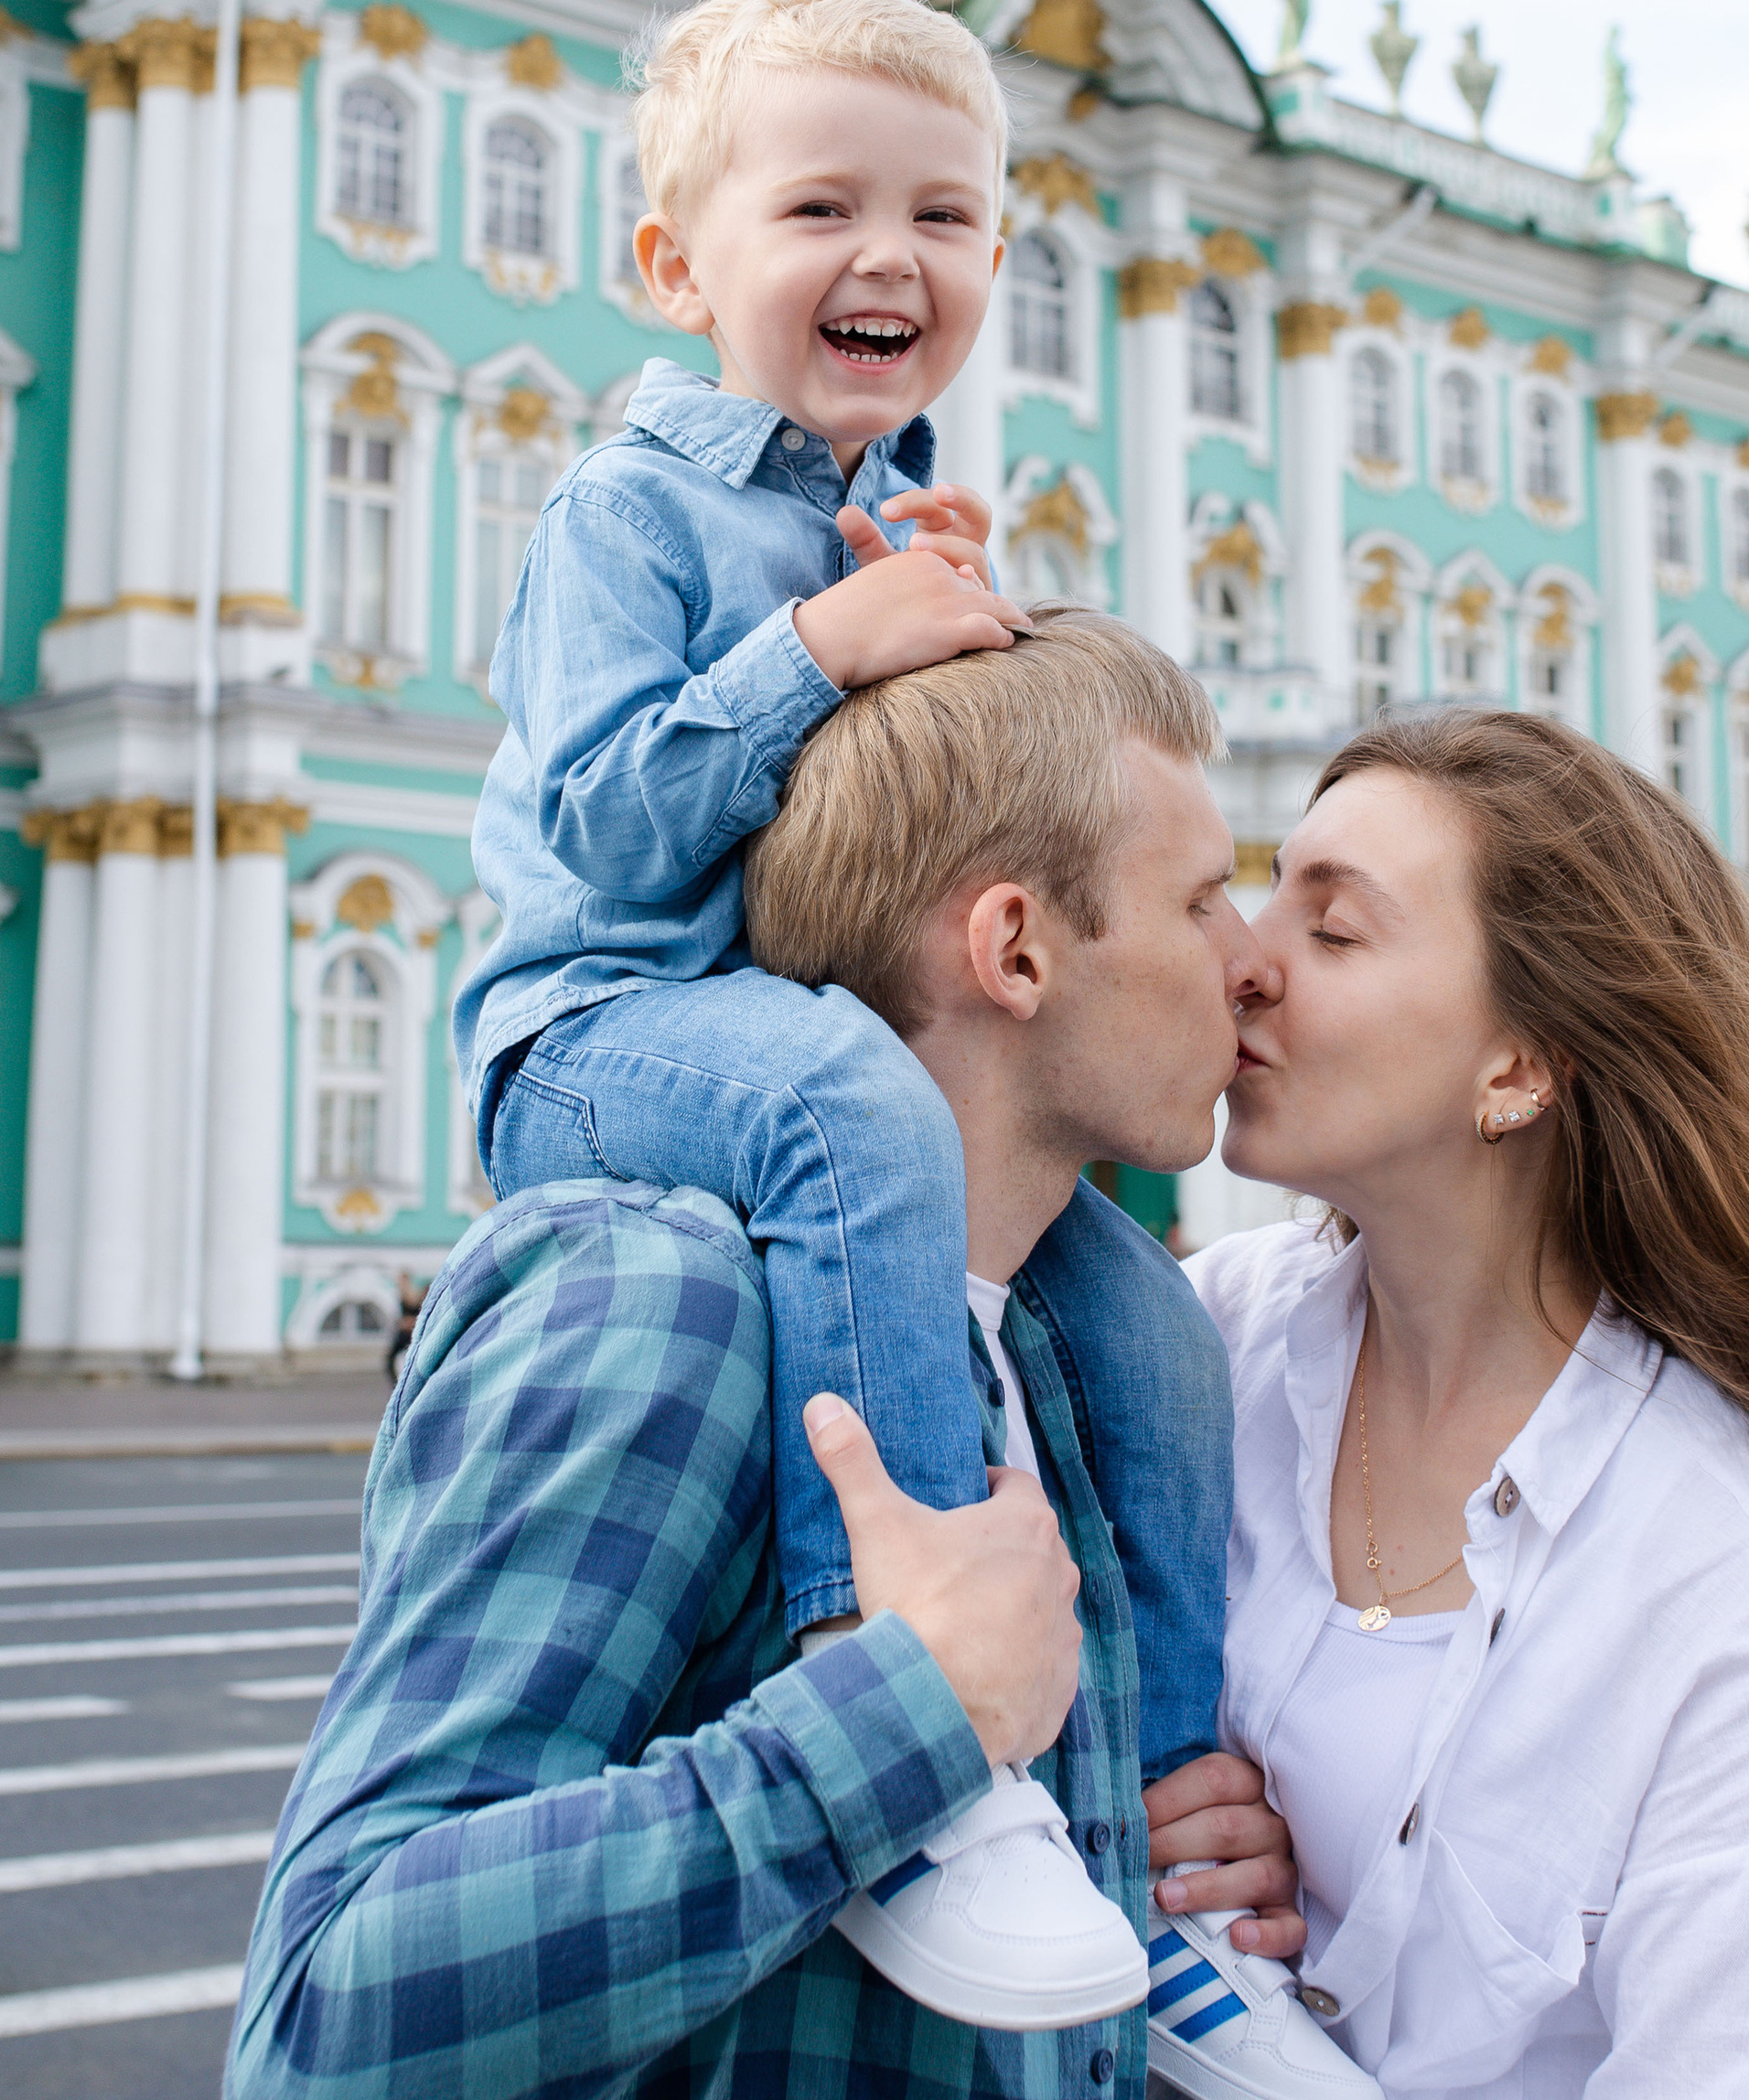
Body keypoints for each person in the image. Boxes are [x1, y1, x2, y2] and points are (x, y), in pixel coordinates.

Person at [226, 609, 1348, 2099]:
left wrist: (1161, 1854)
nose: (1252, 963)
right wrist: (907, 1718)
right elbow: (329, 2014)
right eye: (1203, 900)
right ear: (1014, 949)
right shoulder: (665, 1303)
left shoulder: (1077, 1355)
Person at [450, 0, 1225, 2019]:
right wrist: (818, 646)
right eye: (821, 207)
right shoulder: (626, 511)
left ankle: (1174, 1843)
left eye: (945, 216)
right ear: (676, 265)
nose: (891, 253)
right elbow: (610, 827)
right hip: (594, 1033)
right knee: (851, 1110)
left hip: (788, 1039)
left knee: (1146, 1323)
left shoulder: (889, 510)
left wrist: (963, 656)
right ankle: (900, 1708)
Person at [1185, 707, 1749, 2094]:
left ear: (1519, 1069)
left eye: (1335, 929)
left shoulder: (1727, 1568)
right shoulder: (1210, 1342)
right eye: (1262, 896)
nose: (1245, 961)